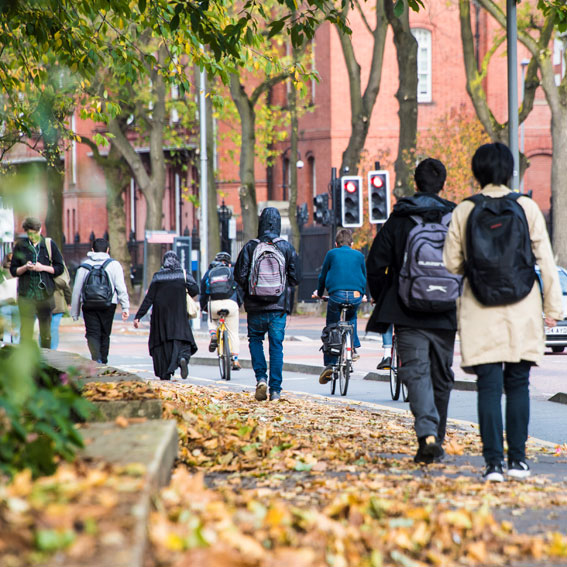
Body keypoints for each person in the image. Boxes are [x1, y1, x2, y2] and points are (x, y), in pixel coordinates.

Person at [443, 142, 563, 482]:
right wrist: (553, 307)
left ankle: (493, 464)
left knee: (489, 386)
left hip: (480, 307)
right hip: (521, 306)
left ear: (477, 172)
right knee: (519, 384)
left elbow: (451, 263)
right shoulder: (526, 207)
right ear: (510, 170)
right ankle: (518, 462)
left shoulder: (465, 210)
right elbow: (547, 263)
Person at [366, 158, 458, 464]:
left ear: (415, 184)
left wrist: (387, 296)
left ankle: (427, 437)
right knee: (441, 377)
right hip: (446, 312)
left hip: (406, 311)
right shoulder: (455, 218)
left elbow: (376, 264)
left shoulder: (400, 218)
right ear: (442, 184)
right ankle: (437, 440)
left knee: (416, 374)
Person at [234, 207, 300, 401]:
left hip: (254, 306)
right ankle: (276, 390)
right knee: (276, 347)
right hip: (278, 307)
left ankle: (261, 378)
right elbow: (296, 278)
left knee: (255, 341)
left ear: (260, 223)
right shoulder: (286, 247)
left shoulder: (250, 246)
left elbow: (239, 275)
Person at [133, 250, 198, 380]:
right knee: (182, 341)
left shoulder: (158, 277)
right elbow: (195, 290)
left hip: (160, 318)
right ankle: (182, 358)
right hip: (179, 316)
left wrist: (138, 316)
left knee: (162, 345)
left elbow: (149, 298)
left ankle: (165, 372)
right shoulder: (183, 274)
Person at [312, 228, 367, 384]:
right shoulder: (359, 255)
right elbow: (363, 276)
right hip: (356, 295)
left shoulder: (331, 254)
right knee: (352, 316)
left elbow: (323, 275)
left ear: (336, 243)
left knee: (332, 326)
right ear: (352, 243)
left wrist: (319, 292)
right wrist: (362, 294)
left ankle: (330, 363)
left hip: (336, 295)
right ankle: (354, 347)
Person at [71, 238, 130, 363]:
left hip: (88, 305)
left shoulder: (84, 266)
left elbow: (76, 291)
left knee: (92, 333)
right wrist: (125, 307)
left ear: (92, 250)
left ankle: (95, 358)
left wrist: (75, 313)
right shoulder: (114, 265)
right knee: (105, 333)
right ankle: (103, 360)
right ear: (108, 250)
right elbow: (121, 287)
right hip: (109, 304)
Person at [10, 217, 64, 347]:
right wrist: (25, 267)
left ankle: (46, 362)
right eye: (29, 234)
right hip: (26, 294)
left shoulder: (49, 245)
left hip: (45, 295)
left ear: (40, 230)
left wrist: (42, 268)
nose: (32, 236)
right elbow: (13, 270)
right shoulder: (21, 246)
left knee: (45, 333)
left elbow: (59, 268)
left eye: (35, 233)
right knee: (26, 333)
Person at [200, 251, 242, 370]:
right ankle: (235, 360)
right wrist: (238, 303)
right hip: (231, 303)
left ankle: (213, 334)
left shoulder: (210, 272)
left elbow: (203, 292)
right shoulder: (233, 271)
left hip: (213, 303)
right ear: (229, 263)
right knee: (233, 332)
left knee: (212, 319)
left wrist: (204, 307)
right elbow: (240, 289)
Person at [0, 253, 19, 345]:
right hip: (16, 304)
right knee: (16, 330)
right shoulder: (18, 272)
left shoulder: (2, 272)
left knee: (6, 330)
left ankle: (5, 349)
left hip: (4, 304)